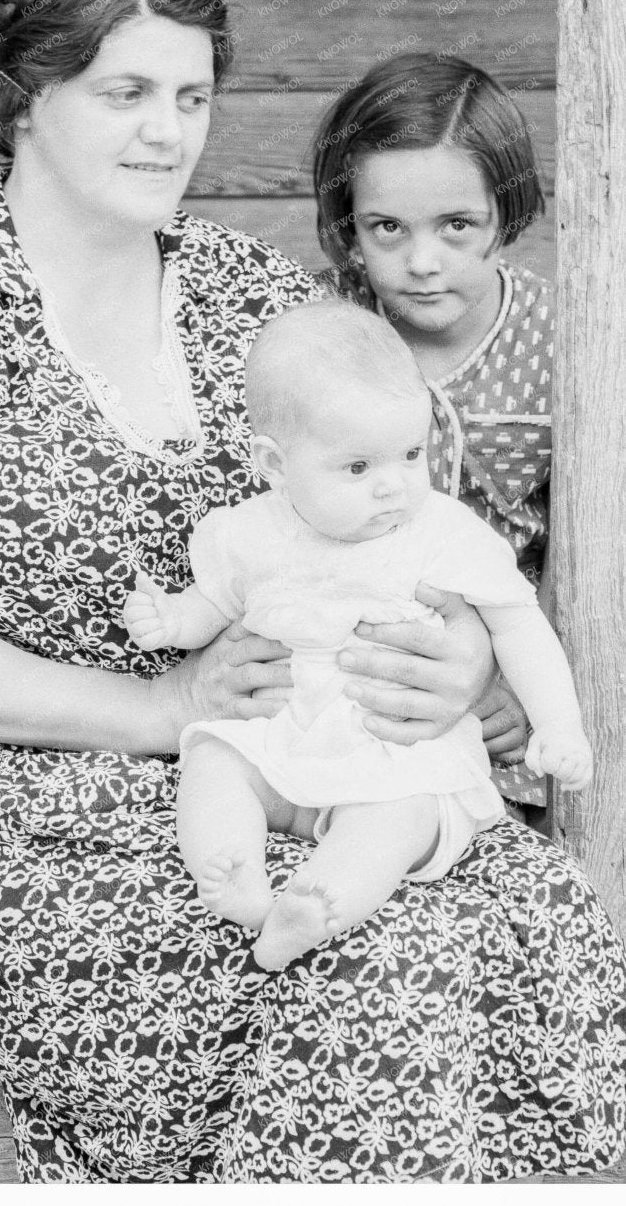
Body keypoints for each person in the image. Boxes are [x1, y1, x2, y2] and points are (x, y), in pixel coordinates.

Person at [0, 0, 626, 1181]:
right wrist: (160, 706)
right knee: (381, 962)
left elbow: (368, 521)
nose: (166, 131)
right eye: (123, 93)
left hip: (275, 760)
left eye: (191, 96)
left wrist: (458, 660)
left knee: (497, 911)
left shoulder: (248, 298)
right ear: (22, 101)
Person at [126, 301, 593, 972]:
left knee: (402, 814)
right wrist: (174, 619)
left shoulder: (439, 530)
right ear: (275, 465)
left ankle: (322, 899)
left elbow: (517, 620)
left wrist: (558, 722)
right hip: (282, 738)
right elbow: (214, 599)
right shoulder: (249, 531)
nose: (394, 486)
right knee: (215, 764)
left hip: (393, 750)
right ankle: (232, 870)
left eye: (411, 454)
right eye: (358, 468)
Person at [312, 53, 553, 579]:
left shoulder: (558, 338)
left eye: (457, 225)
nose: (422, 264)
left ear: (508, 213)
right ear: (351, 225)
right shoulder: (318, 327)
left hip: (516, 626)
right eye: (389, 228)